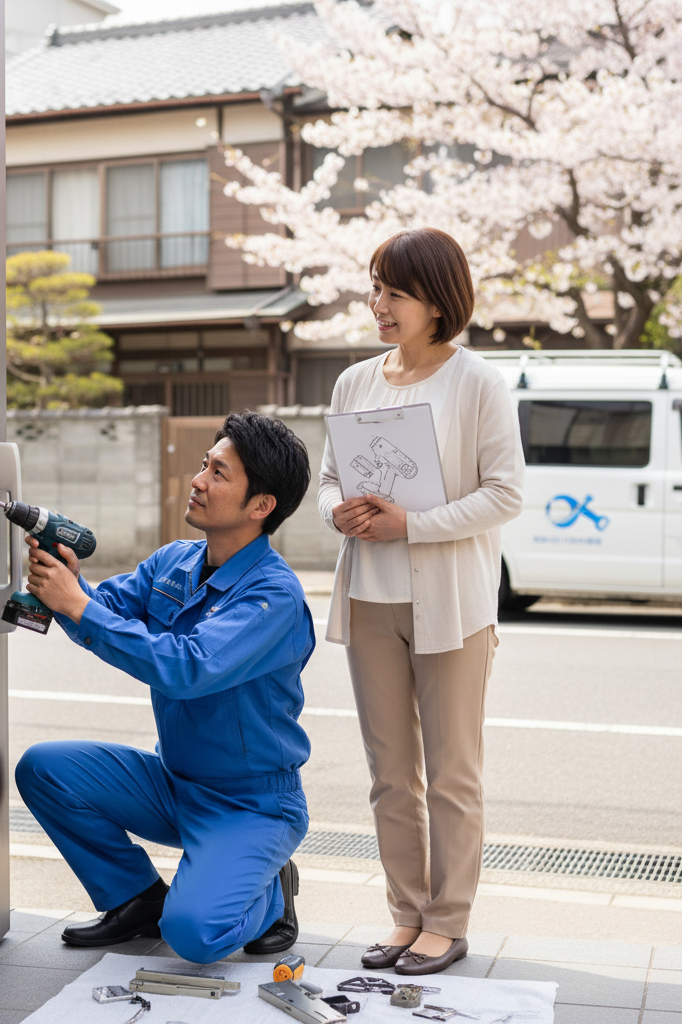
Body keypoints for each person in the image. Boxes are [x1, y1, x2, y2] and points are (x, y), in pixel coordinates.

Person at [16, 411, 316, 965]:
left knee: (195, 938)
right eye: (205, 464)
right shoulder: (174, 561)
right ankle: (135, 898)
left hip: (250, 805)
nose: (198, 480)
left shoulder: (273, 597)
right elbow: (103, 615)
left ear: (261, 506)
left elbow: (189, 667)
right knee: (43, 768)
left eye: (219, 473)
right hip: (175, 783)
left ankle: (271, 892)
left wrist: (76, 603)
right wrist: (67, 582)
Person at [319, 228, 524, 975]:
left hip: (454, 606)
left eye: (393, 293)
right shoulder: (354, 383)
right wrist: (336, 511)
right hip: (370, 597)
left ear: (437, 302)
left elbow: (506, 494)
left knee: (453, 771)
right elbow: (329, 480)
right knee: (389, 772)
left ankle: (449, 919)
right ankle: (405, 914)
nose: (378, 305)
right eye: (375, 289)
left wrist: (416, 524)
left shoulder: (478, 384)